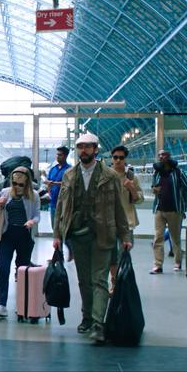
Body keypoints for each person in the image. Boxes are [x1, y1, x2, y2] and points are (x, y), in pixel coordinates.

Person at [52, 133, 132, 345]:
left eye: (88, 147)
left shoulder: (110, 176)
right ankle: (87, 317)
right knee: (84, 280)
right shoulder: (69, 176)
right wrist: (57, 234)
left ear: (96, 149)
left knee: (98, 279)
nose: (83, 151)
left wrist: (125, 235)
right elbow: (61, 207)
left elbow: (119, 208)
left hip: (103, 233)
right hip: (78, 235)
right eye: (80, 147)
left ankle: (97, 322)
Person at [0, 166, 41, 318]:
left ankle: (23, 304)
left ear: (27, 184)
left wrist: (31, 221)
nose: (17, 187)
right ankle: (1, 303)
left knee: (22, 270)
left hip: (24, 235)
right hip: (7, 234)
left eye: (21, 185)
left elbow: (37, 215)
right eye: (14, 184)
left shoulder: (34, 196)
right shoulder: (5, 193)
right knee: (3, 266)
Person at [150, 149, 187, 274]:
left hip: (175, 210)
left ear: (169, 156)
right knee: (158, 237)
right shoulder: (157, 173)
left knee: (175, 238)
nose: (161, 157)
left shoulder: (178, 172)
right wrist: (154, 189)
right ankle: (158, 265)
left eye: (163, 154)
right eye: (159, 155)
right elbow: (153, 187)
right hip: (159, 209)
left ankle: (177, 262)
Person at [109, 146, 143, 294]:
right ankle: (115, 283)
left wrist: (131, 189)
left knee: (124, 252)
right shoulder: (106, 175)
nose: (118, 160)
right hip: (109, 221)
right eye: (115, 157)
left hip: (127, 221)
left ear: (125, 159)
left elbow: (139, 199)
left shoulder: (131, 177)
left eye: (121, 158)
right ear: (111, 158)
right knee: (112, 254)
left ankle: (121, 280)